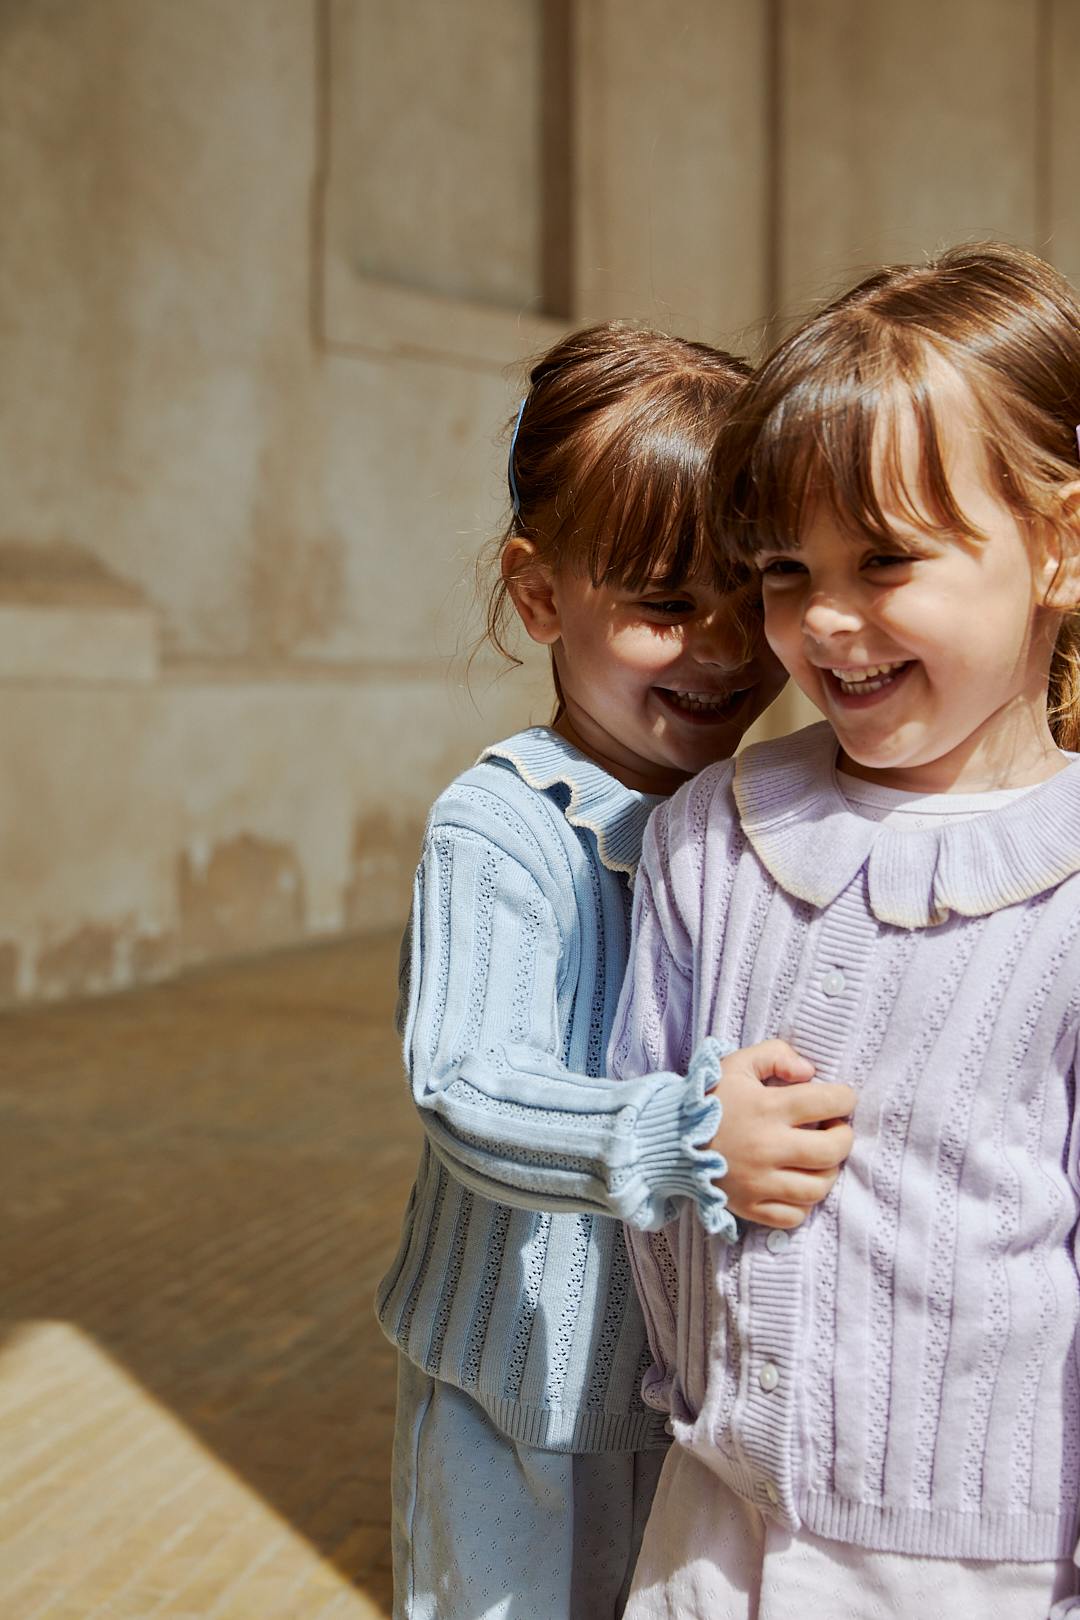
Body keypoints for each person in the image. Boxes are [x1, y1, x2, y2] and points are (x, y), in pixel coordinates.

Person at [611, 243, 1080, 1619]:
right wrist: (694, 1137)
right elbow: (638, 1130)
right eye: (781, 569)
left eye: (886, 560)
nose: (824, 620)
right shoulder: (713, 834)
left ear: (1059, 545)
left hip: (979, 1563)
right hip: (711, 1523)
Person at [376, 322, 856, 1620]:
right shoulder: (506, 824)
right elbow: (466, 1085)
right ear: (540, 598)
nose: (715, 647)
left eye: (746, 594)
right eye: (660, 604)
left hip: (687, 1388)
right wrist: (686, 1134)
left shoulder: (768, 812)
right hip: (515, 1393)